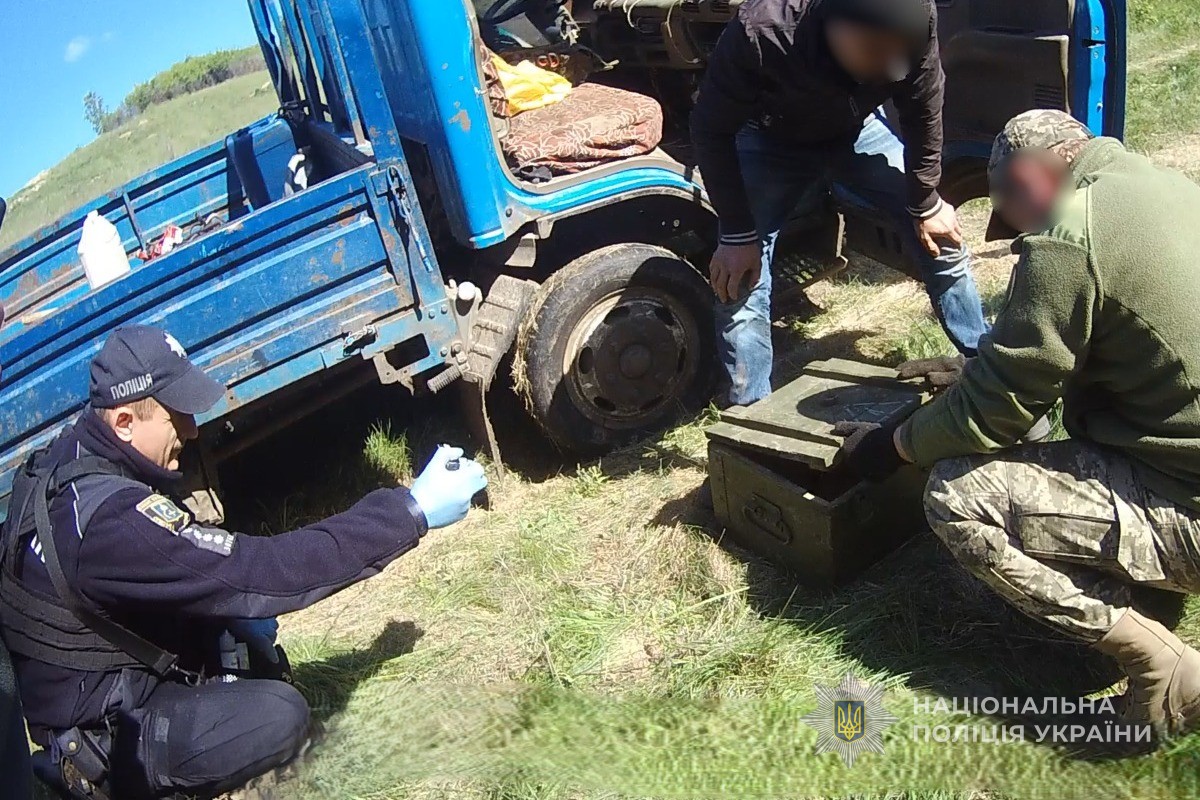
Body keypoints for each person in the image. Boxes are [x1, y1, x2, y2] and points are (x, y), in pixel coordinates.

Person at [0, 325, 487, 798]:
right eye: (176, 416)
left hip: (85, 687)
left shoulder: (63, 461)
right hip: (100, 739)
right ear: (125, 422)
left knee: (243, 634)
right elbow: (263, 570)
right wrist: (410, 511)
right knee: (278, 716)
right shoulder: (111, 523)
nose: (192, 430)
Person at [835, 109, 1200, 740]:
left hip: (1188, 509)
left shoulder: (1070, 234)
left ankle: (1161, 666)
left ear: (1031, 177)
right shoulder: (1162, 185)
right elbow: (1106, 336)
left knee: (957, 496)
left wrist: (891, 447)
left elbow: (998, 412)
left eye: (1011, 210)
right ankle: (1151, 592)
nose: (1019, 232)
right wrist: (978, 366)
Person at [690, 0, 988, 407]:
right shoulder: (761, 31)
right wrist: (738, 232)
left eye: (897, 50)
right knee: (741, 274)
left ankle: (990, 369)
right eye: (874, 49)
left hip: (855, 129)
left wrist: (926, 201)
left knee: (942, 238)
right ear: (835, 23)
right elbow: (710, 129)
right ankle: (751, 416)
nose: (888, 62)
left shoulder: (916, 15)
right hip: (769, 138)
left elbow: (924, 103)